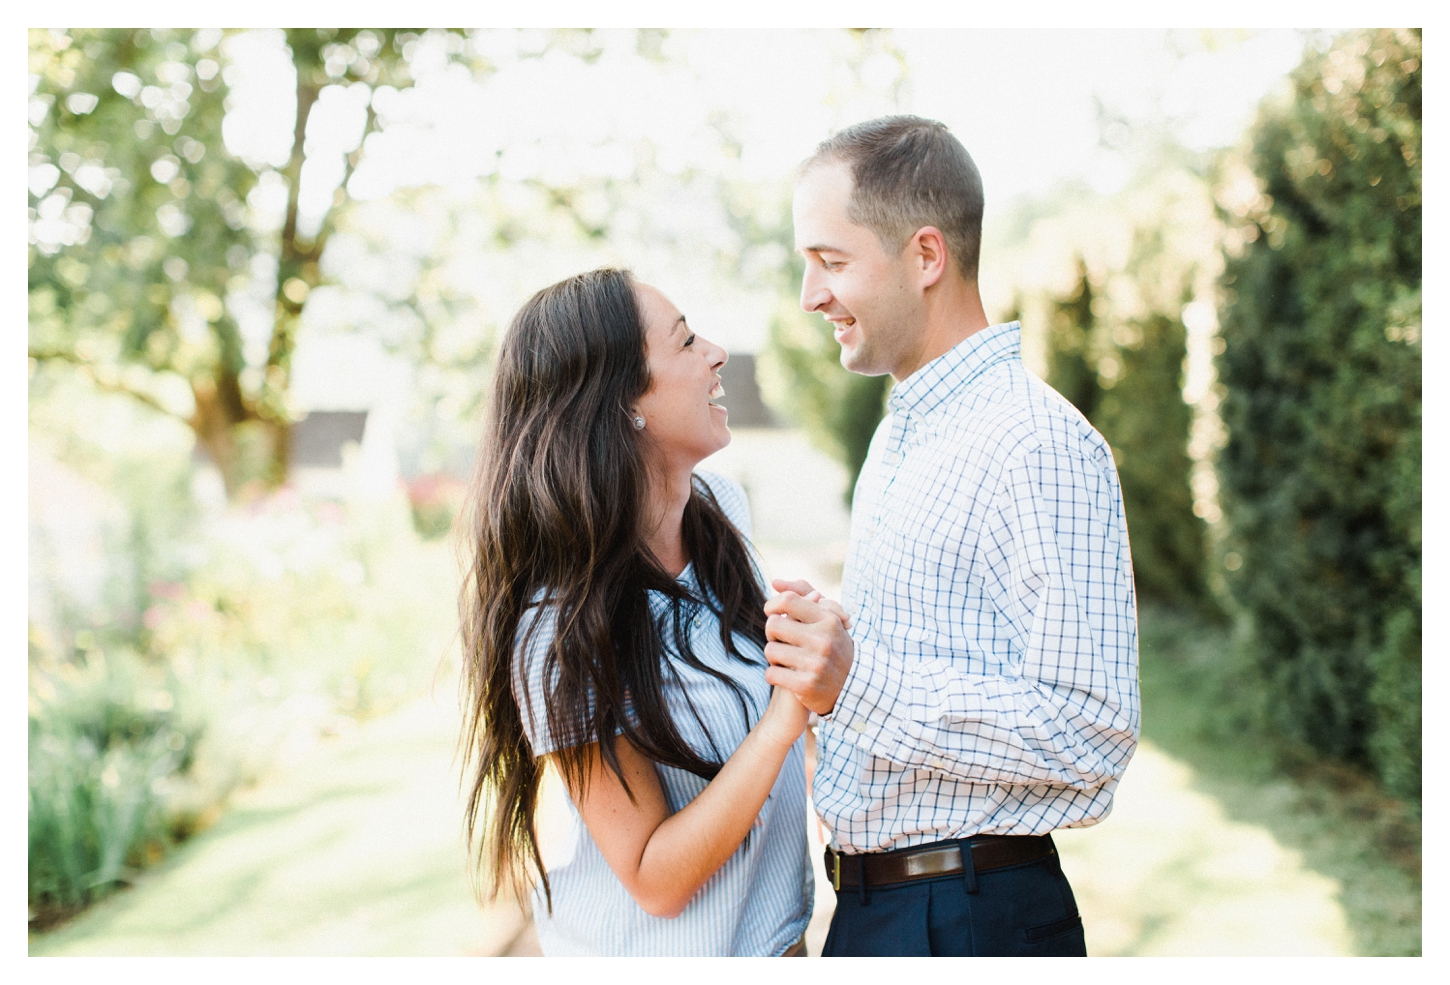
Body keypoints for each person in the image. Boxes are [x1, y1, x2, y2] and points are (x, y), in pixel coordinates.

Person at [762, 116, 1141, 956]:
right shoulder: (897, 437)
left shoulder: (1037, 442)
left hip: (969, 920)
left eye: (830, 261)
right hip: (877, 911)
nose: (809, 295)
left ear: (926, 256)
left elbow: (1090, 731)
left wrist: (856, 677)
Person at [457, 267, 815, 956]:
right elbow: (655, 876)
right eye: (685, 343)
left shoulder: (721, 513)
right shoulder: (559, 630)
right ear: (625, 404)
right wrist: (785, 716)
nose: (716, 353)